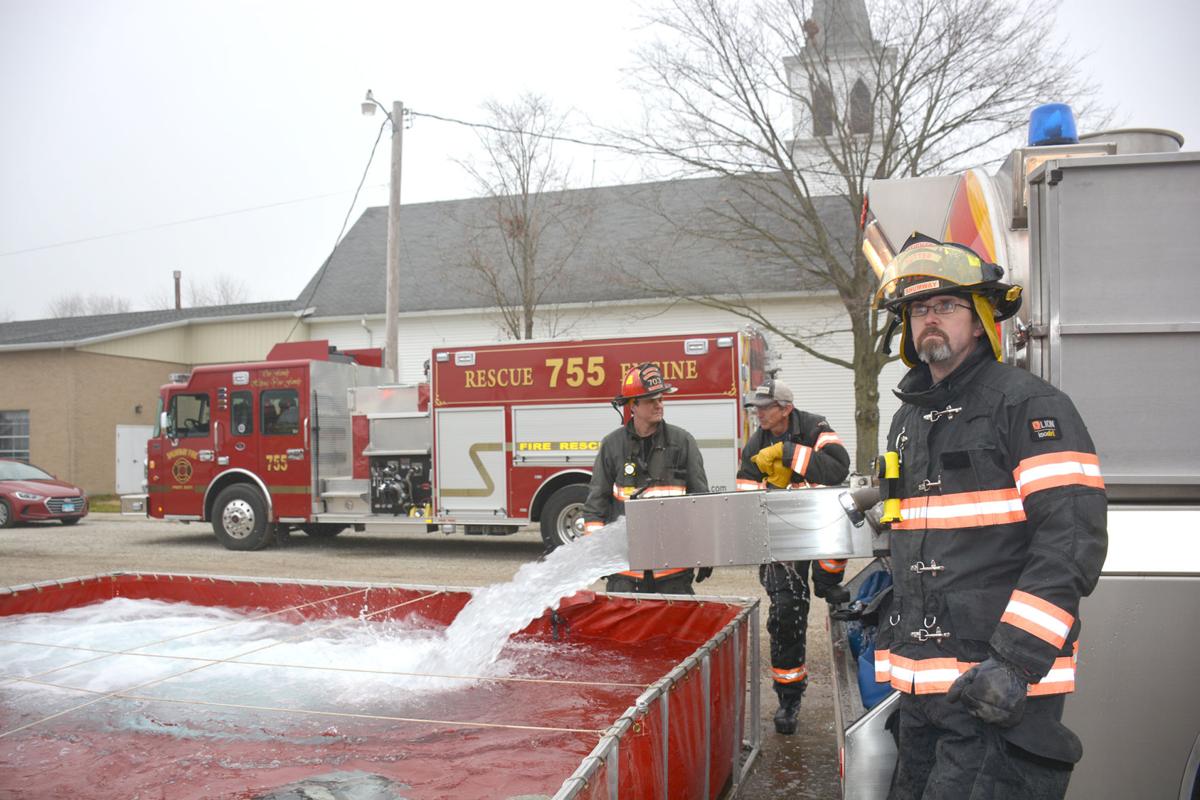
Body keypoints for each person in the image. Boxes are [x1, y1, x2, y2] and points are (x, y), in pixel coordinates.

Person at [871, 234, 1107, 799]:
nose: (931, 319)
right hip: (924, 693)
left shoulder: (1029, 406)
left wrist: (1013, 663)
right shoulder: (907, 419)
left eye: (947, 306)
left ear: (978, 320)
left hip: (996, 690)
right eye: (919, 309)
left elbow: (1071, 541)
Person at [736, 378, 851, 735]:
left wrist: (790, 455)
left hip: (819, 529)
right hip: (780, 537)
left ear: (786, 408)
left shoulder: (817, 428)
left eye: (764, 407)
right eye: (755, 407)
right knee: (786, 612)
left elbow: (837, 469)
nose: (758, 414)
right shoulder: (756, 442)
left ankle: (827, 581)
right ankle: (788, 697)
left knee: (831, 565)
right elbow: (745, 489)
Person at [582, 362, 710, 595]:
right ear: (633, 405)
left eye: (661, 399)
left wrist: (705, 551)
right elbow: (596, 503)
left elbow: (700, 500)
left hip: (673, 570)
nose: (659, 405)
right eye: (651, 400)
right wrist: (596, 552)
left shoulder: (683, 442)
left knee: (675, 632)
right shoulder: (612, 445)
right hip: (625, 570)